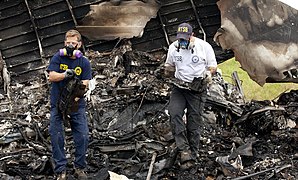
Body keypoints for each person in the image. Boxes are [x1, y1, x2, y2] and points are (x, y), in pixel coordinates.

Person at [164, 23, 217, 166]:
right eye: (180, 39)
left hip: (197, 90)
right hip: (180, 87)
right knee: (174, 113)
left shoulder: (204, 47)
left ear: (192, 36)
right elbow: (169, 66)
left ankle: (193, 153)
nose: (182, 42)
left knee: (194, 122)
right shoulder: (174, 48)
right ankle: (183, 149)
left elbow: (213, 66)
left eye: (185, 39)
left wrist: (208, 73)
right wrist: (167, 71)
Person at [47, 29, 92, 180]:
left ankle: (80, 167)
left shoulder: (83, 62)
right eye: (68, 43)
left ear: (79, 45)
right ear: (64, 43)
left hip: (76, 105)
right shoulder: (57, 58)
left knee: (83, 136)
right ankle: (61, 169)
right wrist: (65, 75)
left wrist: (77, 95)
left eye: (73, 43)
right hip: (57, 104)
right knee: (56, 135)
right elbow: (51, 76)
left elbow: (85, 82)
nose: (70, 46)